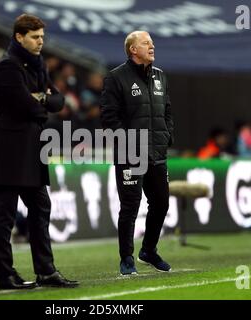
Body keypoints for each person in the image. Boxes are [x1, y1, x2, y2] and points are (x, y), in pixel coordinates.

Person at [0, 14, 79, 290]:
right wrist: (41, 100)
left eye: (42, 37)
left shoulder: (38, 65)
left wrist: (42, 98)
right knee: (5, 214)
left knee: (40, 207)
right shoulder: (8, 67)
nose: (41, 42)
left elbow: (58, 101)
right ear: (19, 37)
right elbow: (28, 107)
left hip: (32, 148)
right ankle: (4, 274)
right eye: (35, 37)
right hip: (9, 149)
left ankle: (46, 271)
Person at [100, 31, 174, 275]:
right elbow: (109, 117)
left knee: (161, 203)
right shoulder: (116, 78)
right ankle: (126, 258)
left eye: (152, 42)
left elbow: (168, 112)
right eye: (146, 43)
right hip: (131, 154)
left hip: (157, 153)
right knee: (130, 206)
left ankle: (148, 251)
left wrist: (166, 138)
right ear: (133, 49)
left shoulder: (160, 76)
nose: (152, 46)